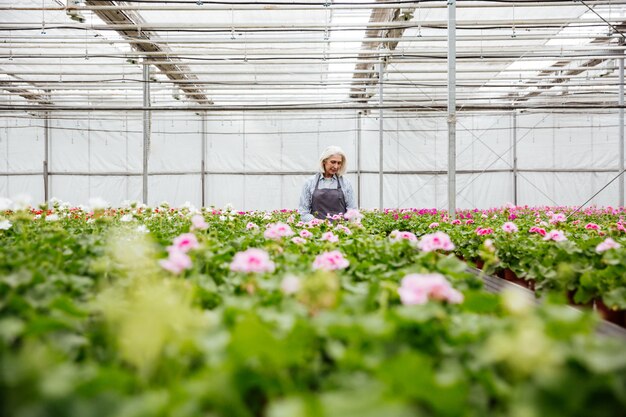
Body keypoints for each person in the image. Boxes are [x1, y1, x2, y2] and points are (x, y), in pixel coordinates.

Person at [298, 145, 356, 222]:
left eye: (339, 163)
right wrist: (317, 222)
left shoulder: (346, 183)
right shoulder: (310, 183)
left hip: (341, 231)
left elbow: (352, 211)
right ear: (324, 161)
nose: (336, 166)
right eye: (333, 162)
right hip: (317, 230)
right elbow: (303, 212)